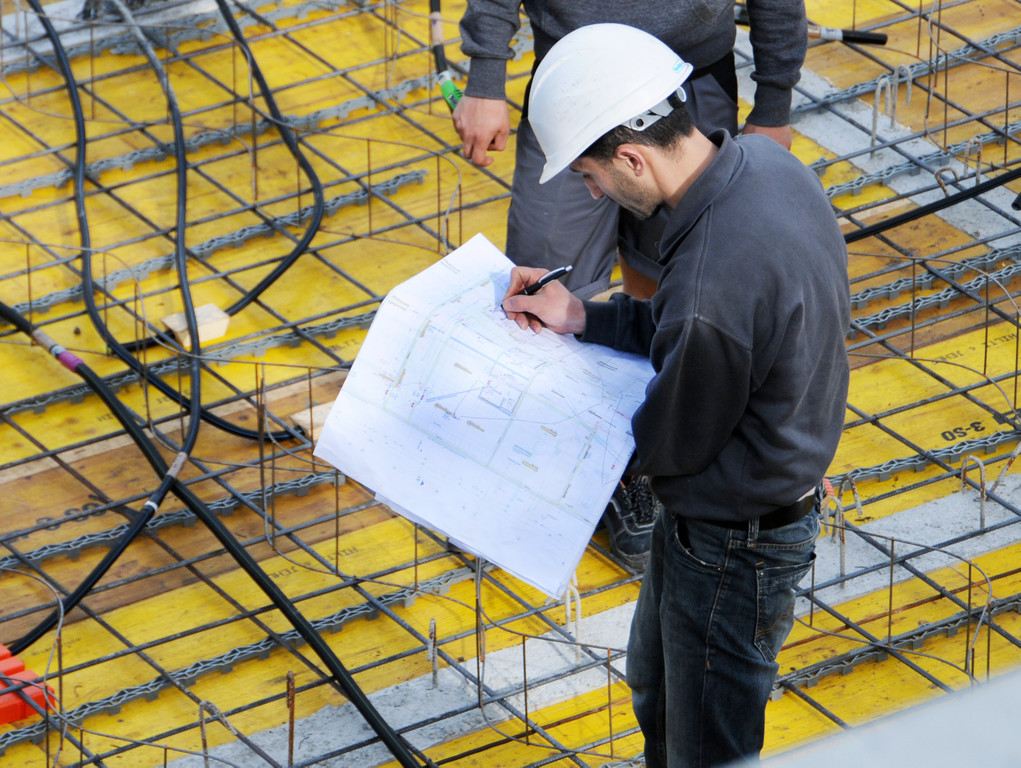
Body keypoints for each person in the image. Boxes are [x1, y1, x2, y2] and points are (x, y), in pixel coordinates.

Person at [500, 23, 849, 768]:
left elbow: (671, 442)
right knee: (659, 690)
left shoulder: (711, 280)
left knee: (704, 747)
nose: (593, 193)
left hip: (732, 542)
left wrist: (549, 441)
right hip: (747, 503)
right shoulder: (764, 167)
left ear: (632, 157)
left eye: (591, 176)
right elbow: (700, 325)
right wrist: (582, 316)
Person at [455, 0, 808, 568]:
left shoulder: (739, 252)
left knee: (675, 282)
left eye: (593, 178)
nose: (594, 191)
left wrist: (774, 102)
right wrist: (486, 74)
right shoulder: (785, 197)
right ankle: (527, 465)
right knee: (536, 293)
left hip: (690, 74)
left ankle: (636, 471)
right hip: (569, 84)